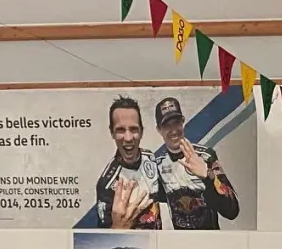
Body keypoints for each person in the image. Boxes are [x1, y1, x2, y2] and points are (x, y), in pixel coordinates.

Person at [150, 97, 240, 230]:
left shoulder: (206, 156)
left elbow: (232, 211)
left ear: (183, 122)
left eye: (176, 123)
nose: (173, 130)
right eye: (167, 125)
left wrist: (208, 177)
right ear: (159, 130)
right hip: (181, 246)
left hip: (211, 244)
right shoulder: (157, 166)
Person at [94, 96, 164, 230]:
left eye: (133, 129)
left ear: (142, 131)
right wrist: (119, 226)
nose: (128, 138)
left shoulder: (150, 158)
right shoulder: (106, 184)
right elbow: (104, 238)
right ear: (112, 133)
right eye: (120, 130)